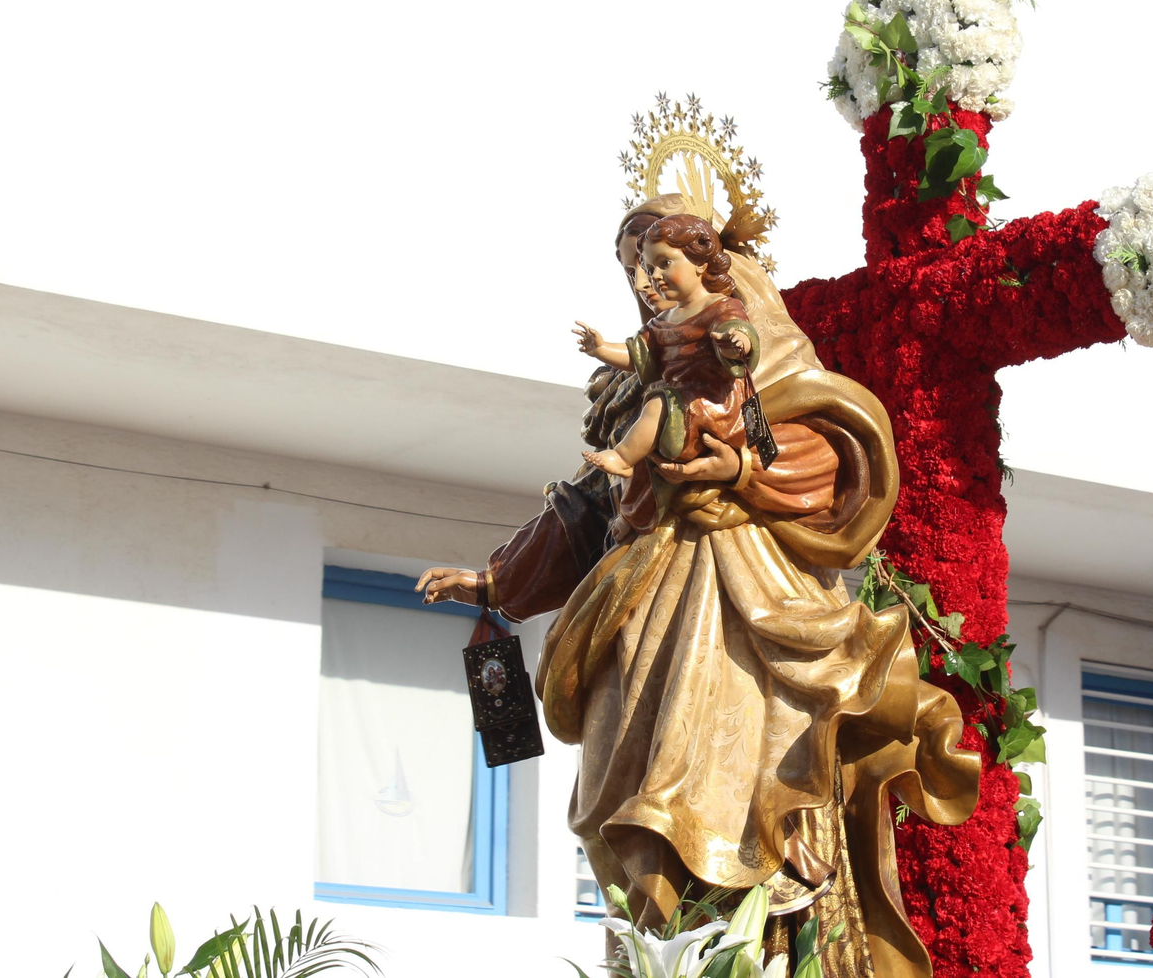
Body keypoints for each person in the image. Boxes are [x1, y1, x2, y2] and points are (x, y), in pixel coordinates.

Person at [418, 197, 979, 978]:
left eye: (653, 263)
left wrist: (742, 469)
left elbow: (823, 457)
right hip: (641, 598)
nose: (642, 284)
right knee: (627, 801)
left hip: (746, 604)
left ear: (705, 262)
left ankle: (760, 952)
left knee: (739, 794)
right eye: (629, 270)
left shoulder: (761, 348)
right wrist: (496, 583)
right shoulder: (642, 378)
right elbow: (586, 509)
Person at [577, 214, 757, 479]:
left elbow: (736, 332)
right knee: (659, 400)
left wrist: (736, 343)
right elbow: (638, 356)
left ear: (699, 262)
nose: (649, 279)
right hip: (679, 400)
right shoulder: (662, 322)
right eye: (648, 269)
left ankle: (623, 457)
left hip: (711, 402)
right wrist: (600, 348)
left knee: (659, 401)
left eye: (664, 264)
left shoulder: (720, 306)